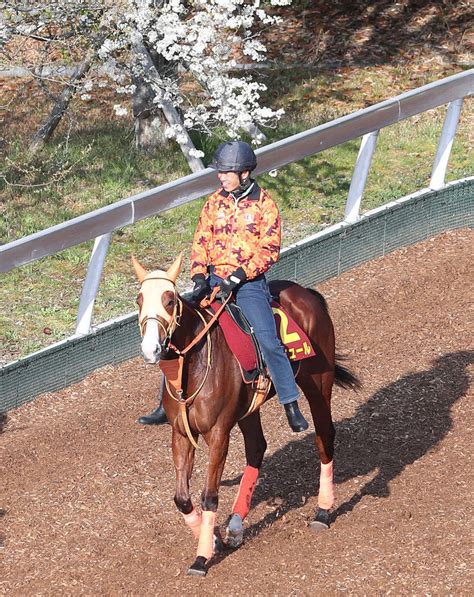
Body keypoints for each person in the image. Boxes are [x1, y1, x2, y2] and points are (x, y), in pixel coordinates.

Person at [138, 140, 308, 432]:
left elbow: (269, 250)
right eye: (220, 172)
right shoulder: (214, 202)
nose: (221, 177)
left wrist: (238, 277)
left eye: (227, 172)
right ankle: (163, 404)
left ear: (244, 173)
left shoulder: (265, 204)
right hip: (213, 281)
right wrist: (200, 277)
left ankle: (290, 402)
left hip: (249, 285)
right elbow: (200, 243)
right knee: (177, 329)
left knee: (269, 340)